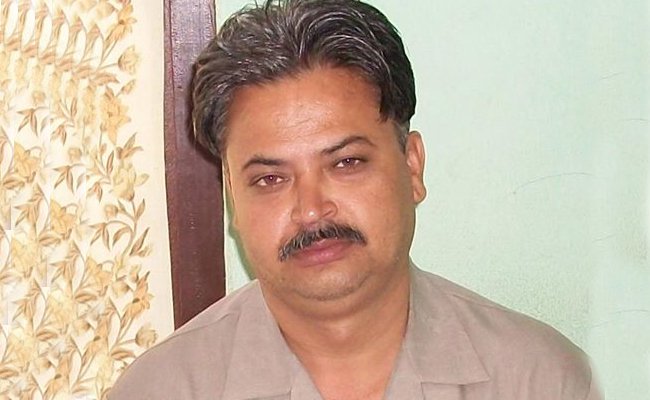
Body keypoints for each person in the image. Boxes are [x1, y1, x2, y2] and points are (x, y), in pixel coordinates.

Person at [110, 0, 601, 398]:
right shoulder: (161, 390)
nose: (311, 210)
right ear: (233, 199)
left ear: (412, 167)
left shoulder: (543, 381)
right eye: (270, 179)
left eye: (346, 163)